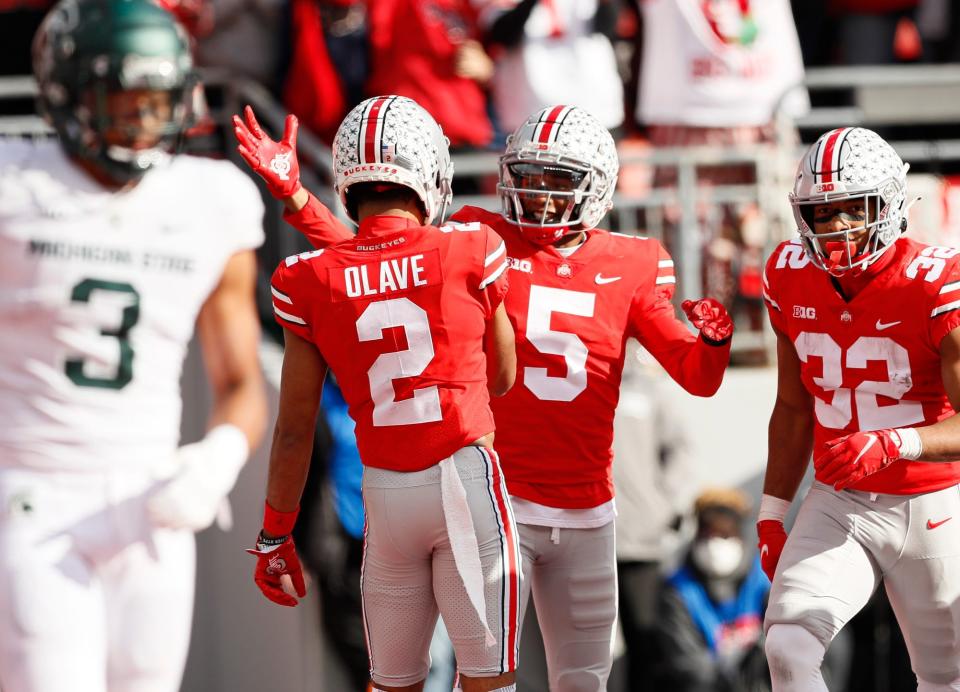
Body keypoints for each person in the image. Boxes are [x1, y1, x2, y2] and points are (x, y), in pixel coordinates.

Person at [235, 101, 734, 691]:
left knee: (583, 682)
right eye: (528, 178)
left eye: (558, 181)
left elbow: (696, 374)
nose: (540, 195)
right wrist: (297, 200)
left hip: (586, 508)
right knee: (485, 679)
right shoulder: (478, 235)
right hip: (497, 501)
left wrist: (716, 340)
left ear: (596, 186)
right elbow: (376, 259)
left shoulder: (633, 261)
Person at [0, 0, 267, 690]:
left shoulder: (212, 199)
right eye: (123, 101)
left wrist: (217, 458)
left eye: (156, 102)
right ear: (68, 92)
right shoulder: (14, 182)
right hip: (33, 496)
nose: (143, 121)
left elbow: (241, 382)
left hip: (153, 501)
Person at [245, 95, 521, 692]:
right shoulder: (471, 248)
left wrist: (274, 533)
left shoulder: (307, 278)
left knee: (392, 686)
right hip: (464, 484)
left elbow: (293, 429)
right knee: (488, 684)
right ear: (431, 173)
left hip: (384, 498)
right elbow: (502, 377)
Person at [758, 126, 960, 691]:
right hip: (840, 501)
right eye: (823, 213)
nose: (839, 226)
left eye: (854, 208)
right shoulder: (789, 273)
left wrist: (897, 440)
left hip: (934, 502)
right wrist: (773, 512)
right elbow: (793, 407)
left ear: (891, 203)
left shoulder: (936, 281)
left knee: (944, 678)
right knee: (788, 645)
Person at [656, 488, 770, 692]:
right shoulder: (677, 589)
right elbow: (688, 665)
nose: (715, 544)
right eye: (708, 535)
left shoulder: (763, 579)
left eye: (724, 535)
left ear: (739, 537)